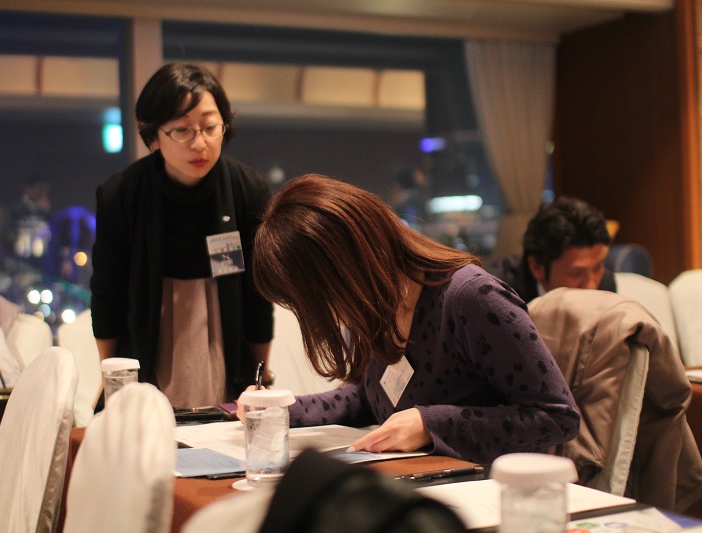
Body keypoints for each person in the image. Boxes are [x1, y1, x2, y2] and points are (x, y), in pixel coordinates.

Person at [245, 174, 580, 464]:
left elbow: (556, 417)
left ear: (343, 271)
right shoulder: (378, 304)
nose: (320, 317)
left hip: (483, 495)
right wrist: (284, 409)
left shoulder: (471, 298)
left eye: (313, 302)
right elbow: (371, 398)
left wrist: (430, 425)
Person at [90, 63, 274, 409]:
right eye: (181, 130)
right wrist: (109, 375)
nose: (199, 143)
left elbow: (257, 294)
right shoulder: (121, 195)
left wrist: (260, 374)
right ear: (153, 137)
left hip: (224, 339)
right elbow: (107, 292)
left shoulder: (248, 190)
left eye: (210, 127)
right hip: (148, 341)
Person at [484, 196, 616, 303]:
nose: (591, 286)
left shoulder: (605, 284)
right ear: (536, 267)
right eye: (576, 273)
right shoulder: (497, 293)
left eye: (597, 268)